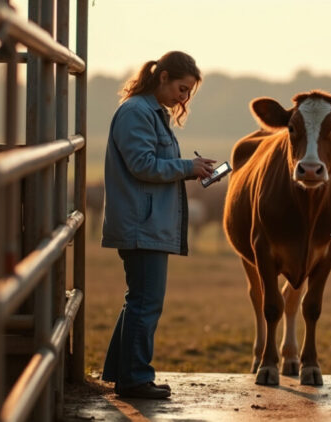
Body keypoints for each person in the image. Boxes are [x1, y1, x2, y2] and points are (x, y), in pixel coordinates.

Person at [101, 51, 215, 400]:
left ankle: (121, 372)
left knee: (138, 299)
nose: (183, 98)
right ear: (162, 76)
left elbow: (152, 164)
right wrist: (187, 168)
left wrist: (188, 167)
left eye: (188, 94)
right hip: (142, 223)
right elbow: (142, 165)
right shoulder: (137, 112)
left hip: (145, 221)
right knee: (146, 303)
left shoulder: (148, 113)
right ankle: (134, 379)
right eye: (181, 89)